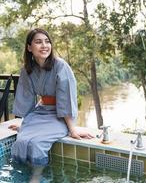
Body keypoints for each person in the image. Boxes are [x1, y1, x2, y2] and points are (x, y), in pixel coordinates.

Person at [8, 28, 94, 181]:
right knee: (20, 142)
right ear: (29, 47)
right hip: (41, 112)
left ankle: (37, 177)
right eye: (38, 42)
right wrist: (25, 124)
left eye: (47, 41)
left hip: (59, 116)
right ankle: (19, 177)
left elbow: (65, 99)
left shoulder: (61, 66)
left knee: (36, 144)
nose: (44, 45)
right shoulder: (28, 70)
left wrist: (72, 129)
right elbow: (26, 98)